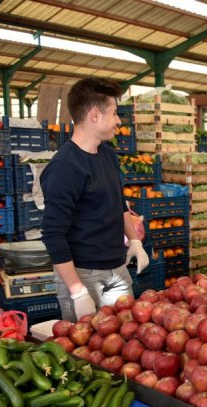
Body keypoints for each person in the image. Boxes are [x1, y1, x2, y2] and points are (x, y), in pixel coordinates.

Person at [41, 77, 149, 322]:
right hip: (83, 273)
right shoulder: (65, 168)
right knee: (86, 351)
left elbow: (118, 202)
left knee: (126, 340)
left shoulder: (108, 155)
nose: (119, 121)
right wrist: (77, 291)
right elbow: (53, 234)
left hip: (117, 270)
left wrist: (134, 241)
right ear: (94, 115)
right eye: (114, 113)